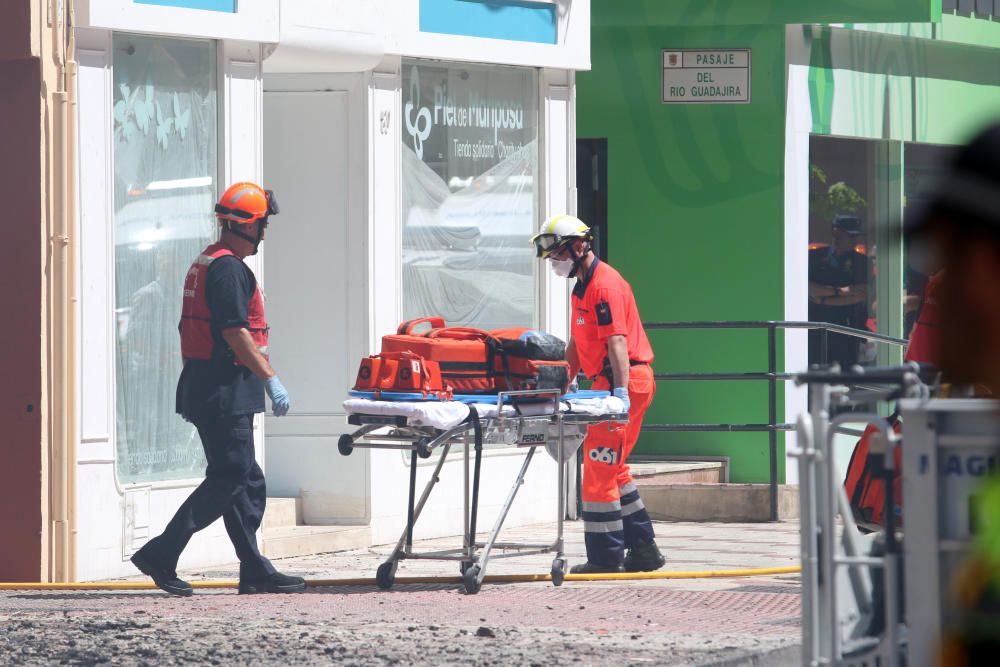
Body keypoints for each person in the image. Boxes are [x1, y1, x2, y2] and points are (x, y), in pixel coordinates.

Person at [130, 182, 305, 596]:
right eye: (263, 224)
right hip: (222, 389)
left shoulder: (210, 262)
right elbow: (234, 332)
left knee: (247, 480)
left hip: (211, 386)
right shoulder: (228, 269)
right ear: (249, 225)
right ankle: (162, 553)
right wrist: (270, 378)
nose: (265, 232)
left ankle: (254, 568)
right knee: (229, 477)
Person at [532, 214, 665, 574]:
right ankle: (644, 550)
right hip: (610, 384)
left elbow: (617, 342)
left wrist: (619, 394)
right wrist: (567, 378)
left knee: (598, 469)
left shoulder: (604, 286)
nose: (554, 262)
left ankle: (606, 557)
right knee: (615, 468)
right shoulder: (584, 287)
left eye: (558, 252)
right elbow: (579, 340)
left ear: (579, 246)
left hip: (623, 383)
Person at [808, 215, 870, 367]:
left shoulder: (861, 261)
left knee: (845, 375)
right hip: (816, 327)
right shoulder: (814, 256)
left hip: (847, 327)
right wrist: (840, 292)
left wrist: (824, 299)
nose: (855, 240)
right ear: (836, 233)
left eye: (856, 236)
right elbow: (808, 288)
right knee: (816, 372)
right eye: (850, 235)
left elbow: (860, 294)